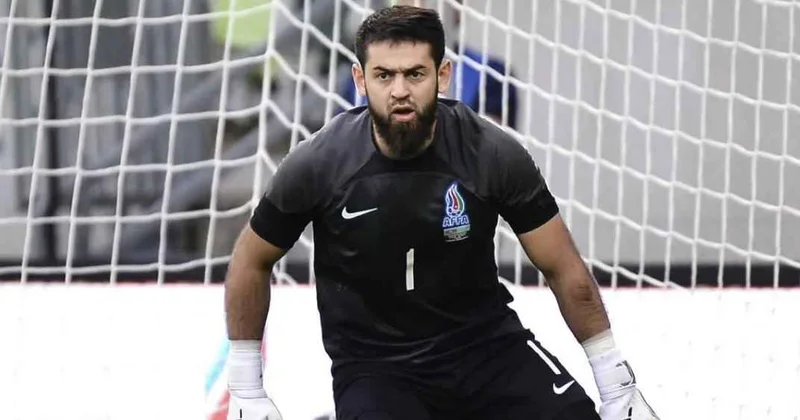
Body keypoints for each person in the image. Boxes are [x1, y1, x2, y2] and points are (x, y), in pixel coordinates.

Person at [224, 5, 659, 420]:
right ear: (360, 79)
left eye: (415, 74)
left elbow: (562, 268)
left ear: (443, 75)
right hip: (377, 368)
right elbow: (251, 260)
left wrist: (615, 383)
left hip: (486, 350)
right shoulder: (318, 163)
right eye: (383, 75)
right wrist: (246, 390)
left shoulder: (491, 153)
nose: (399, 91)